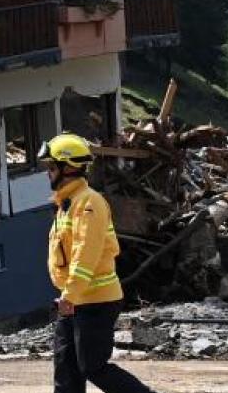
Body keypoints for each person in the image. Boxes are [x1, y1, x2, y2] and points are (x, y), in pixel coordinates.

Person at [40, 133, 159, 393]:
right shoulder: (67, 204)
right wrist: (69, 296)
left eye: (51, 167)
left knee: (93, 366)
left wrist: (70, 295)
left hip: (95, 300)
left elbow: (86, 252)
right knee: (66, 368)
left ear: (68, 168)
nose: (47, 173)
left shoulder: (89, 202)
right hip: (75, 299)